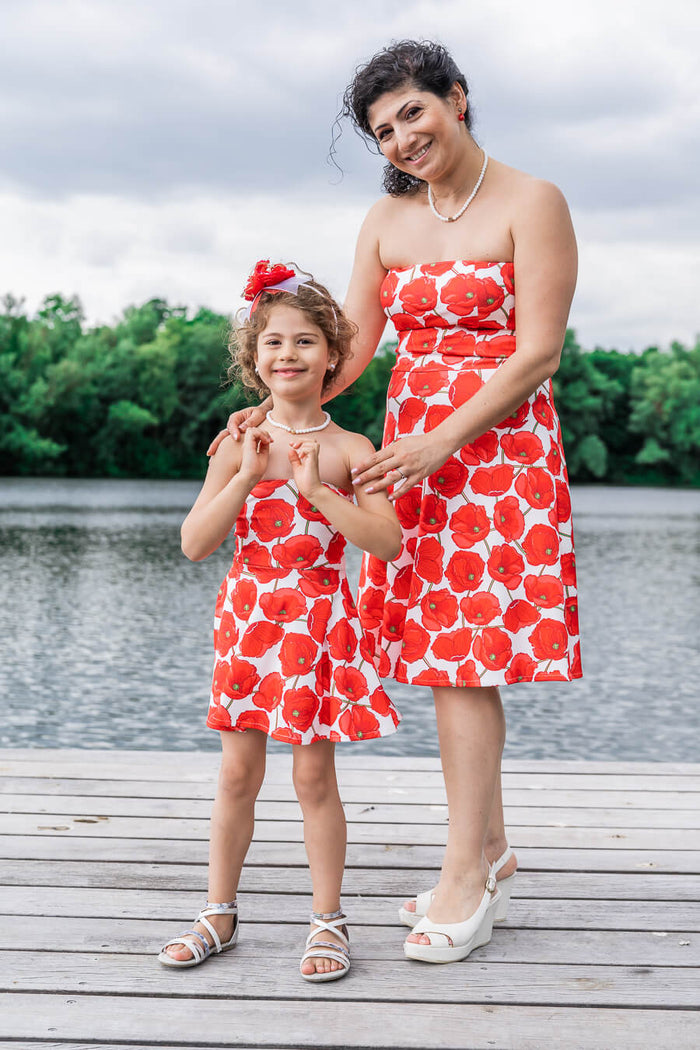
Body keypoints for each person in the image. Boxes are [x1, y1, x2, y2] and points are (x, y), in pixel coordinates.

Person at [215, 39, 582, 965]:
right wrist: (268, 421)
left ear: (456, 100)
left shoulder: (534, 202)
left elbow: (537, 353)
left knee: (465, 658)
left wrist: (441, 441)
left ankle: (465, 872)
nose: (403, 137)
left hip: (493, 449)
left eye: (413, 113)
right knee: (434, 652)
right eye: (384, 129)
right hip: (405, 451)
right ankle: (491, 850)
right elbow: (351, 351)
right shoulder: (386, 219)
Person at [158, 260, 402, 982]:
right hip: (249, 621)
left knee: (312, 779)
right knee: (237, 776)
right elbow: (195, 544)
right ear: (253, 357)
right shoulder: (235, 443)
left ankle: (328, 921)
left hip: (321, 624)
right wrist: (242, 475)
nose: (287, 354)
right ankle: (219, 913)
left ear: (333, 355)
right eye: (272, 343)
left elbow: (385, 542)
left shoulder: (353, 449)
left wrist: (318, 491)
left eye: (303, 342)